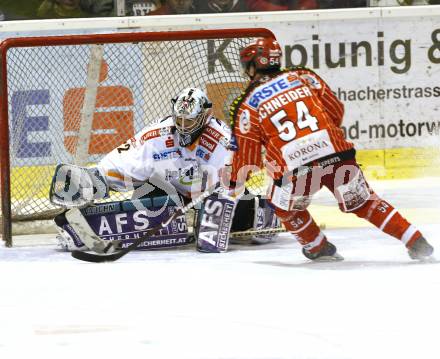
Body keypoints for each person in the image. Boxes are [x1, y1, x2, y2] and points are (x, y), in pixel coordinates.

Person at [229, 37, 434, 261]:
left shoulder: (247, 104)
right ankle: (414, 240)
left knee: (281, 204)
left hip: (296, 169)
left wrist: (232, 184)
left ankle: (316, 246)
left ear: (252, 65)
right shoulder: (303, 76)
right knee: (366, 203)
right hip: (336, 154)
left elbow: (247, 158)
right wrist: (321, 141)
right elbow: (335, 110)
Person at [51, 87, 278, 253]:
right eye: (179, 119)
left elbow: (234, 182)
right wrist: (96, 179)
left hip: (211, 194)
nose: (182, 126)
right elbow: (123, 163)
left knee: (239, 220)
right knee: (145, 202)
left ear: (204, 116)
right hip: (171, 192)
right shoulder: (157, 135)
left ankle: (265, 214)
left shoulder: (222, 140)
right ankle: (89, 228)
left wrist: (215, 207)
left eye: (189, 121)